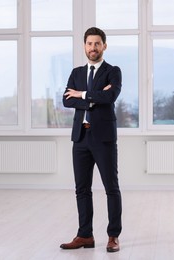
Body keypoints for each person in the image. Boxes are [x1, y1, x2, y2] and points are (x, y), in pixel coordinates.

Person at [60, 27, 122, 253]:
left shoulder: (113, 71)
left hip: (103, 138)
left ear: (104, 46)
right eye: (89, 44)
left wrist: (82, 94)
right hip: (81, 137)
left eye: (97, 43)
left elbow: (111, 96)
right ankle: (85, 235)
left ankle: (113, 236)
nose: (93, 48)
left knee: (111, 188)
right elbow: (66, 100)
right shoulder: (76, 72)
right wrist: (94, 99)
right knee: (82, 189)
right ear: (84, 46)